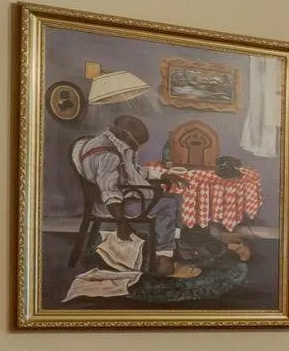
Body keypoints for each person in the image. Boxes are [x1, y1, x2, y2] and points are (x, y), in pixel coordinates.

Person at [69, 115, 199, 280]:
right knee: (169, 204)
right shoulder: (109, 155)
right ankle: (163, 256)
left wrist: (164, 175)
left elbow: (132, 171)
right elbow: (109, 190)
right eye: (139, 145)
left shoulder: (110, 142)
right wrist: (121, 222)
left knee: (176, 197)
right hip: (116, 205)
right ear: (126, 136)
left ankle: (174, 244)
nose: (140, 148)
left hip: (126, 194)